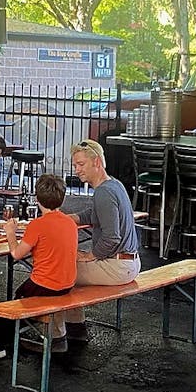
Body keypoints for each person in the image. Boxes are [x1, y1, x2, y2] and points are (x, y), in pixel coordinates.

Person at [0, 174, 78, 362]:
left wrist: (11, 233)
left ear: (37, 199)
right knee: (18, 300)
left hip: (45, 285)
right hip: (66, 284)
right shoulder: (69, 222)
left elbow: (17, 254)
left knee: (15, 306)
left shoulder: (37, 225)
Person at [51, 139, 140, 351]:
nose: (77, 169)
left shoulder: (103, 192)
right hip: (129, 263)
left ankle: (55, 339)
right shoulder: (114, 185)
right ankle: (76, 328)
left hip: (117, 266)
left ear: (97, 162)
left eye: (81, 164)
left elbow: (112, 238)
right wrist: (71, 217)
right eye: (75, 165)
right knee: (70, 270)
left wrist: (90, 255)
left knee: (56, 273)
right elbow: (95, 214)